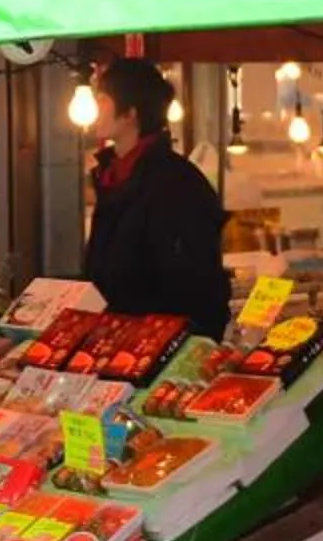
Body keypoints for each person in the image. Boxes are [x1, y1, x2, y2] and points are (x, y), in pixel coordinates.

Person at [82, 60, 232, 339]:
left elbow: (193, 281)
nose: (95, 110)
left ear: (130, 113)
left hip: (163, 345)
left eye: (102, 100)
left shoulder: (175, 183)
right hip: (114, 339)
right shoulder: (111, 177)